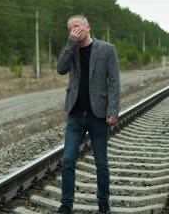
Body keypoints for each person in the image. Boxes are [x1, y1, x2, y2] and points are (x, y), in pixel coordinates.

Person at [55, 15, 120, 214]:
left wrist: (113, 110)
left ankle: (103, 203)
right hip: (75, 114)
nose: (73, 30)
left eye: (76, 26)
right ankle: (66, 205)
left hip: (98, 114)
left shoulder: (107, 49)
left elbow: (114, 81)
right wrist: (70, 44)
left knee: (101, 163)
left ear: (87, 27)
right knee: (67, 161)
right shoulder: (71, 49)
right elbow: (60, 69)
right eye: (69, 28)